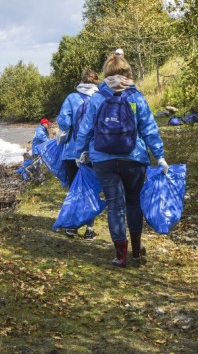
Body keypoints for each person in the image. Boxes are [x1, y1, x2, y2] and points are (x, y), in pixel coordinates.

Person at [73, 53, 169, 268]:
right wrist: (159, 155)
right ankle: (137, 250)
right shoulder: (136, 97)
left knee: (115, 205)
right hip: (134, 159)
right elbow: (149, 129)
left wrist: (80, 152)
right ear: (127, 72)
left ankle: (120, 255)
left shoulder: (98, 98)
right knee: (134, 201)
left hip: (103, 160)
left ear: (107, 74)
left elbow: (86, 129)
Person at [56, 69, 100, 240]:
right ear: (96, 82)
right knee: (91, 189)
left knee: (74, 189)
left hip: (71, 152)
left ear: (81, 81)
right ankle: (89, 229)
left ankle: (72, 227)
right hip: (93, 152)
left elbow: (64, 122)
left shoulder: (72, 98)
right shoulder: (100, 98)